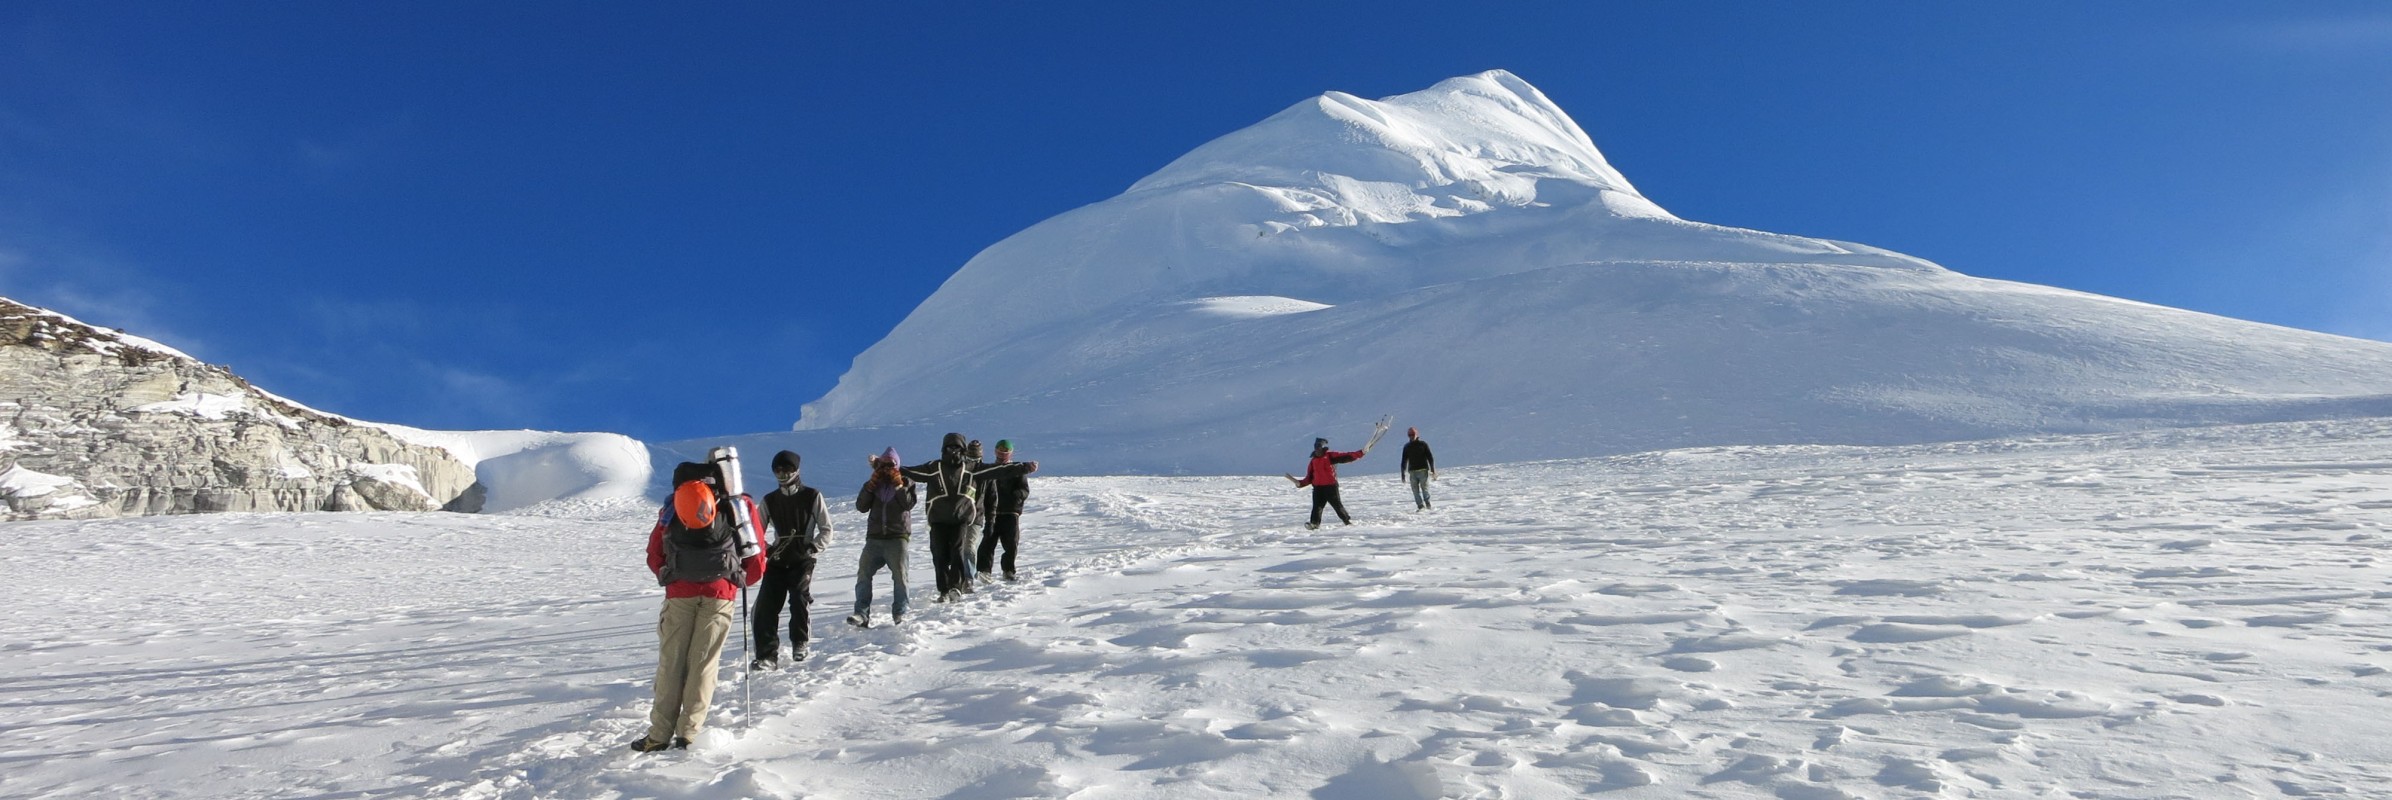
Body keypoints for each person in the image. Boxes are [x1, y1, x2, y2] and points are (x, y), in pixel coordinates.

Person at [635, 462, 766, 752]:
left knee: (672, 664)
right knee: (703, 665)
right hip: (721, 594)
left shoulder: (674, 505)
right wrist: (740, 580)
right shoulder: (738, 505)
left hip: (679, 593)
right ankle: (688, 735)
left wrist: (667, 576)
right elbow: (756, 556)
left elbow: (655, 552)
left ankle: (658, 736)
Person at [902, 432, 1037, 603]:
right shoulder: (934, 467)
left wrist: (1024, 467)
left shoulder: (971, 469)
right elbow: (911, 471)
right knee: (939, 556)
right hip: (938, 519)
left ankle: (957, 586)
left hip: (962, 519)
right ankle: (943, 590)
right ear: (944, 449)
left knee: (962, 551)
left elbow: (1000, 470)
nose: (953, 451)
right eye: (949, 447)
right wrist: (886, 466)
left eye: (957, 448)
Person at [752, 450, 829, 670]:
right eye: (778, 470)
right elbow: (757, 531)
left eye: (787, 469)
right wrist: (765, 549)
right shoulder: (769, 500)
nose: (783, 474)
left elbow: (826, 528)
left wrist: (813, 547)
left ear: (797, 470)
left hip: (802, 559)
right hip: (776, 560)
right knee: (766, 606)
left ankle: (800, 642)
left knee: (798, 596)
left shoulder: (812, 496)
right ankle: (767, 656)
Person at [849, 448, 915, 629]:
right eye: (883, 464)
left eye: (890, 464)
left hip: (897, 537)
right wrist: (870, 487)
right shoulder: (873, 484)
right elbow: (861, 506)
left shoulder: (907, 482)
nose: (887, 469)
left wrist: (898, 485)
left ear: (897, 465)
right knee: (863, 574)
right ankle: (861, 613)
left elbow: (908, 504)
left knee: (900, 576)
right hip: (874, 538)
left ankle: (900, 612)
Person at [976, 439, 1032, 582]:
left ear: (1011, 453)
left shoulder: (1017, 470)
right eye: (1000, 451)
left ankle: (1008, 570)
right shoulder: (990, 470)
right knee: (987, 542)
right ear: (995, 451)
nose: (1002, 454)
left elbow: (1024, 490)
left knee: (1011, 544)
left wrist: (1015, 497)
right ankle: (984, 571)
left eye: (1006, 451)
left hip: (1010, 513)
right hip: (992, 513)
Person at [1286, 436, 1371, 529]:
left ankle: (1347, 521)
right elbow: (1309, 477)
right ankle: (1314, 524)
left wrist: (1361, 453)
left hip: (1330, 487)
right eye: (1316, 447)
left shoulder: (1330, 456)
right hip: (1318, 488)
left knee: (1337, 505)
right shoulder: (1313, 461)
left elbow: (1346, 456)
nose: (1317, 450)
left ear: (1322, 448)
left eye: (1319, 447)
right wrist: (1300, 483)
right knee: (1317, 507)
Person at [1399, 427, 1437, 511]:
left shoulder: (1423, 444)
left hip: (1423, 470)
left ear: (1417, 434)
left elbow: (1430, 457)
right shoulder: (1407, 447)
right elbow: (1404, 460)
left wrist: (1433, 469)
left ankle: (1427, 503)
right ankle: (1420, 506)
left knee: (1425, 489)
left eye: (1413, 434)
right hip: (1412, 472)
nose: (1411, 436)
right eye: (1409, 435)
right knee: (1415, 491)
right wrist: (1403, 473)